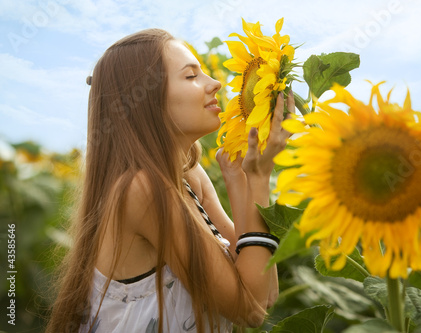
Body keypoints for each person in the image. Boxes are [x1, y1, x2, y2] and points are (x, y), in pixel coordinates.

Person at [45, 28, 295, 333]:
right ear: (145, 98)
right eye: (191, 76)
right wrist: (258, 179)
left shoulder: (188, 175)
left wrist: (239, 178)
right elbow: (250, 310)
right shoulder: (142, 188)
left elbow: (263, 289)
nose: (215, 83)